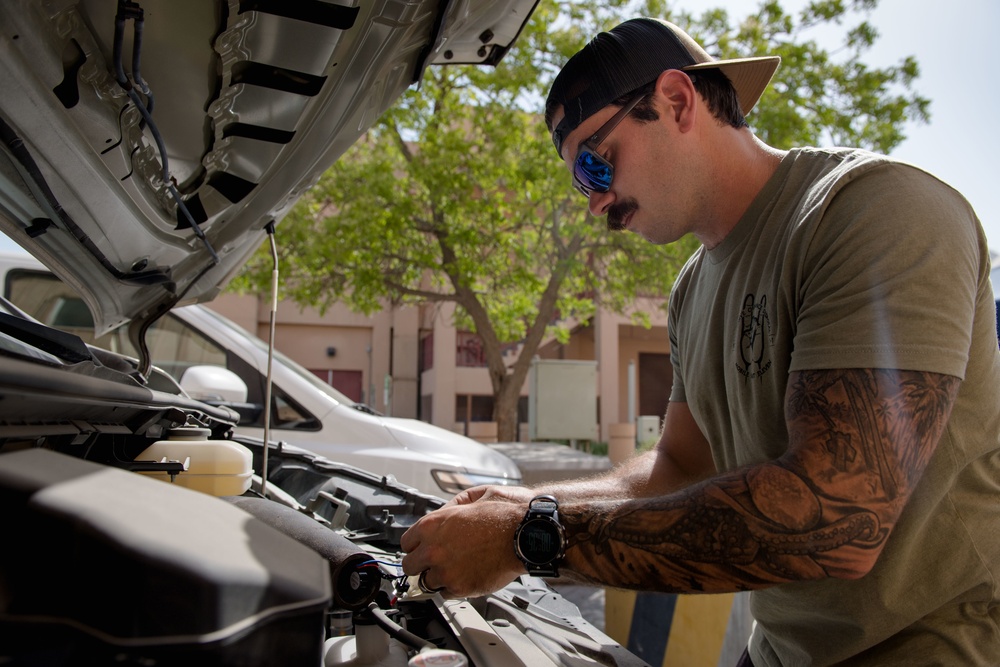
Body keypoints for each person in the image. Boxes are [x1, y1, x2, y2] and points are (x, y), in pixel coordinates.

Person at [401, 17, 1000, 666]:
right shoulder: (693, 288)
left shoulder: (875, 211)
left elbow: (835, 521)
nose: (595, 203)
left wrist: (530, 537)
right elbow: (678, 468)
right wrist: (527, 503)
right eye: (582, 181)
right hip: (780, 649)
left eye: (596, 164)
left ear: (678, 101)